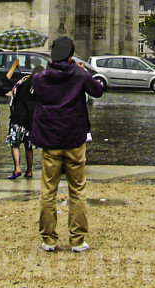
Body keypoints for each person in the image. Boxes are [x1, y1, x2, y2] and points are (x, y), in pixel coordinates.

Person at [30, 36, 104, 253]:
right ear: (71, 55)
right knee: (77, 191)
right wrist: (82, 70)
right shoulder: (80, 74)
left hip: (50, 141)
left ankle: (48, 239)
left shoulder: (40, 77)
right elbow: (98, 91)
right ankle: (77, 240)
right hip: (74, 139)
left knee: (48, 191)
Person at [6, 62, 42, 179]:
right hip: (30, 119)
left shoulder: (22, 83)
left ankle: (17, 167)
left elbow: (13, 96)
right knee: (28, 146)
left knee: (14, 143)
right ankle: (30, 170)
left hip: (18, 117)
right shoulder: (40, 87)